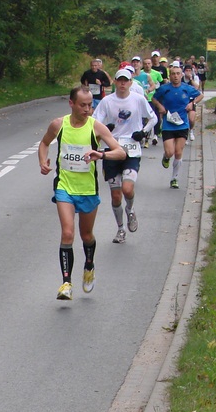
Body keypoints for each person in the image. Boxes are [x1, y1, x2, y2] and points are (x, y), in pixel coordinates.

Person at [38, 86, 126, 300]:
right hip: (64, 187)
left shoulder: (96, 127)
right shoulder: (59, 124)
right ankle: (66, 283)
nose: (88, 109)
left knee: (86, 235)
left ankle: (89, 266)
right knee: (68, 234)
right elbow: (44, 143)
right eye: (83, 105)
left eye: (90, 105)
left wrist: (101, 154)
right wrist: (43, 161)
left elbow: (120, 152)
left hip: (87, 190)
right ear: (71, 104)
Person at [94, 69, 157, 244]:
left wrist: (142, 133)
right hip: (112, 149)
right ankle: (120, 229)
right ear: (115, 82)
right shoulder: (107, 101)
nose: (122, 84)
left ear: (130, 83)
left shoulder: (138, 99)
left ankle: (130, 210)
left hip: (132, 149)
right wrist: (106, 129)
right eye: (120, 80)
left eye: (126, 81)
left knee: (127, 189)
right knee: (115, 196)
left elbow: (153, 119)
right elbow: (94, 121)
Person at [153, 64, 202, 189]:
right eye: (173, 74)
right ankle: (166, 157)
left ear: (181, 75)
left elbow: (200, 95)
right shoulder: (165, 89)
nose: (176, 76)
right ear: (170, 75)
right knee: (170, 152)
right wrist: (160, 107)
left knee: (178, 152)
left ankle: (174, 178)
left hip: (182, 124)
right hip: (168, 124)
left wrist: (192, 103)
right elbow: (154, 98)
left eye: (178, 74)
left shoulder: (187, 88)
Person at [181, 65, 201, 141]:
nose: (188, 72)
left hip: (191, 100)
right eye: (187, 70)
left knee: (191, 119)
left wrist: (191, 79)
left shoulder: (195, 77)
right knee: (182, 119)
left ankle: (191, 130)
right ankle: (184, 134)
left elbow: (197, 87)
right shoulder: (181, 78)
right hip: (182, 101)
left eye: (190, 71)